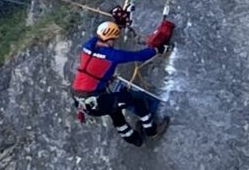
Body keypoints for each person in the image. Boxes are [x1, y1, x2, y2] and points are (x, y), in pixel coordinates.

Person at [72, 12, 176, 143]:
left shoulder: (88, 46)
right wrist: (157, 49)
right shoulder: (112, 55)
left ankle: (135, 139)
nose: (114, 42)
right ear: (110, 39)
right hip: (96, 101)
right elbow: (139, 56)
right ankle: (151, 130)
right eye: (114, 39)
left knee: (115, 112)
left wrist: (117, 24)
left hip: (81, 100)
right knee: (136, 100)